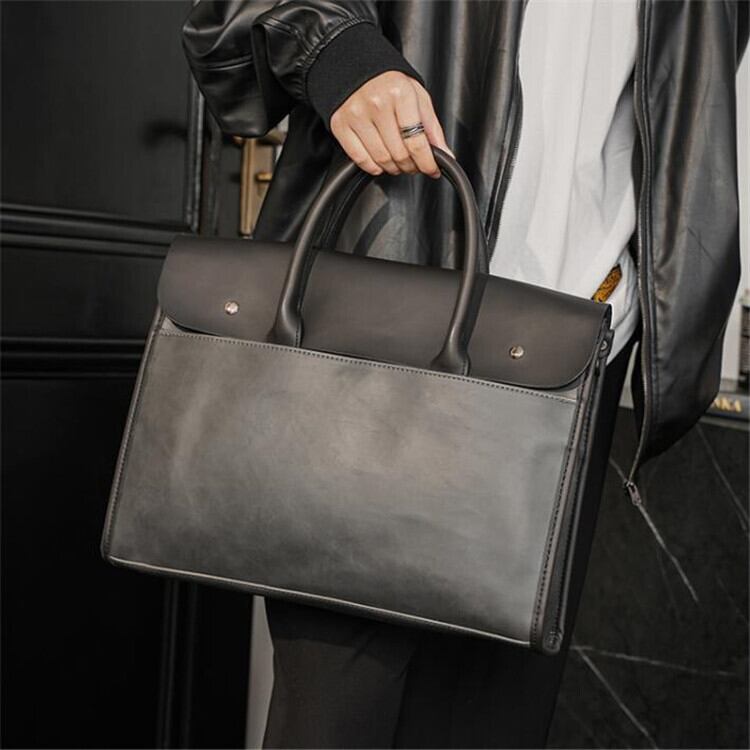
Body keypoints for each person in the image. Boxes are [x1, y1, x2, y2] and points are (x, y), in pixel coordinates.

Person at [182, 1, 748, 746]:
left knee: (491, 719)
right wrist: (338, 53)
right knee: (337, 715)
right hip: (382, 325)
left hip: (569, 352)